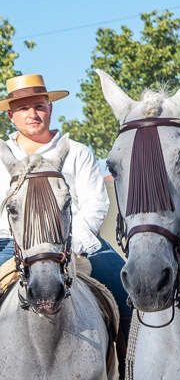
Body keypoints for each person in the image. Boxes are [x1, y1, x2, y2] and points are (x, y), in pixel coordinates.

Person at [0, 74, 130, 361]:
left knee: (127, 293)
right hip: (10, 242)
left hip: (74, 240)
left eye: (39, 106)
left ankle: (131, 363)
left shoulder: (77, 152)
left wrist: (71, 246)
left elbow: (96, 203)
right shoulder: (1, 155)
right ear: (11, 115)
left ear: (50, 108)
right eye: (23, 108)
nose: (33, 114)